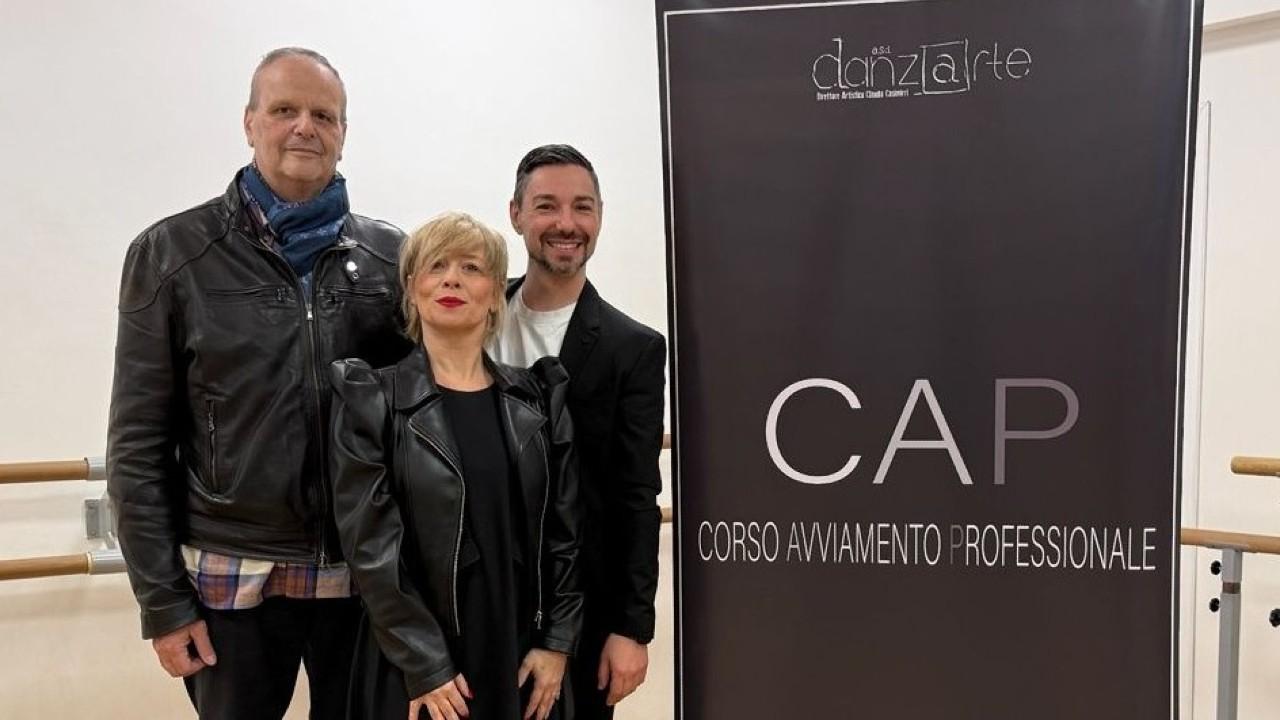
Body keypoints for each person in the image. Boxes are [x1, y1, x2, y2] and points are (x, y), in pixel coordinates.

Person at [106, 47, 411, 720]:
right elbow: (137, 443)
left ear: (343, 132)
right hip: (229, 579)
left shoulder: (392, 258)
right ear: (249, 123)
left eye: (323, 115)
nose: (305, 127)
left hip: (364, 576)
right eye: (284, 110)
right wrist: (162, 602)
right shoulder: (172, 255)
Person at [330, 211, 583, 720]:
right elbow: (371, 549)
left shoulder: (538, 398)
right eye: (436, 266)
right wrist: (425, 663)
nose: (452, 279)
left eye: (471, 268)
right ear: (411, 288)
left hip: (522, 655)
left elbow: (565, 534)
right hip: (417, 665)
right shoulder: (370, 399)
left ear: (495, 294)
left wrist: (557, 642)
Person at [491, 145, 665, 719]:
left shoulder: (633, 349)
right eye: (547, 205)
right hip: (477, 604)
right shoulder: (471, 315)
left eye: (582, 207)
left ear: (600, 217)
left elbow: (636, 495)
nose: (566, 223)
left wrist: (632, 628)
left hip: (583, 613)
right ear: (516, 214)